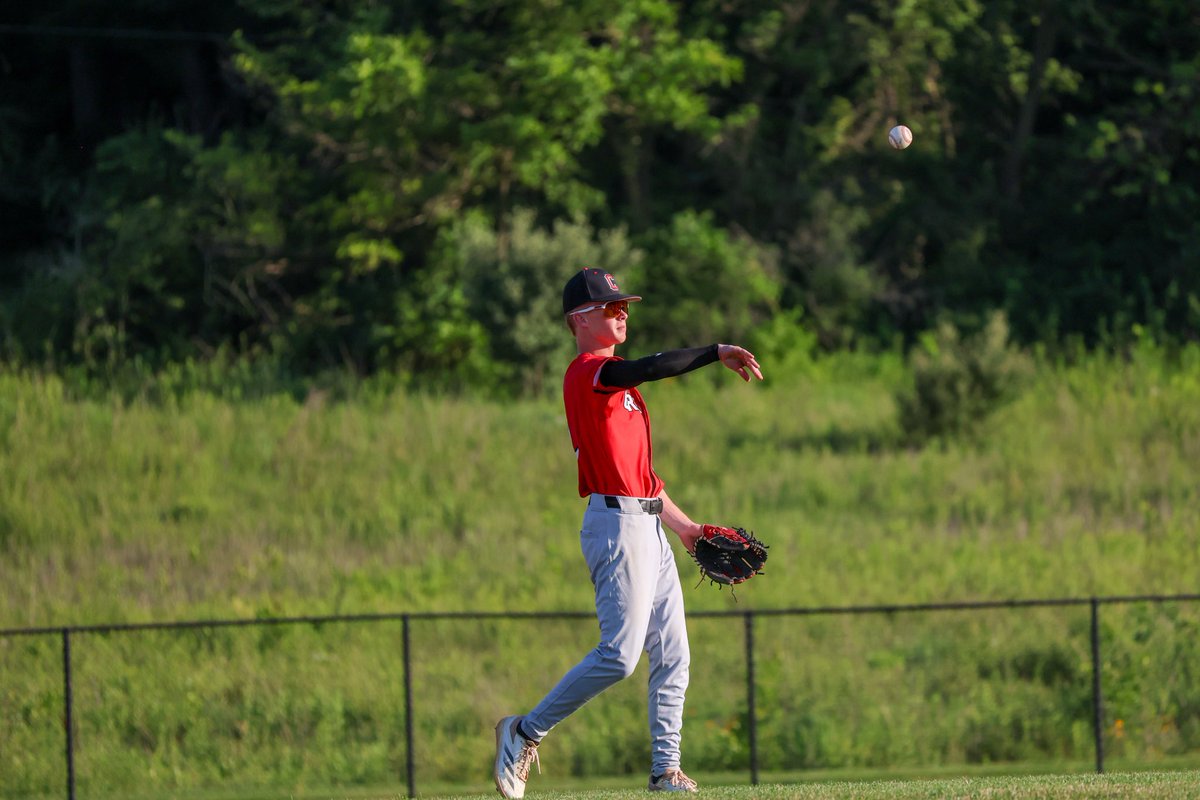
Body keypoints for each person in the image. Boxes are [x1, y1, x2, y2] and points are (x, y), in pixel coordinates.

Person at [493, 268, 764, 797]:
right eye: (609, 306)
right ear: (578, 320)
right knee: (619, 656)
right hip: (616, 527)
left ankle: (666, 771)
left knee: (674, 653)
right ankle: (524, 732)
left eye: (624, 305)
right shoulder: (588, 373)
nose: (622, 313)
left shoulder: (625, 392)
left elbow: (643, 481)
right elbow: (650, 366)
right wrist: (714, 352)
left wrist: (687, 529)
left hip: (648, 525)